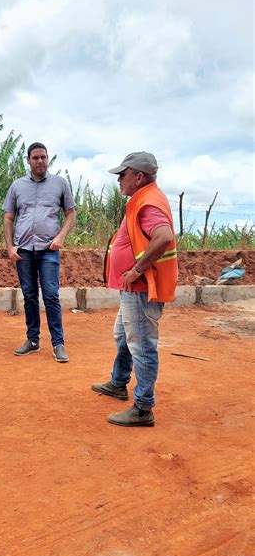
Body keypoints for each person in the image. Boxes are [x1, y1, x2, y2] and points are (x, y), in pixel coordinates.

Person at [91, 152, 178, 426]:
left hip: (141, 286)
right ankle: (118, 383)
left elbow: (163, 236)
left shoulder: (148, 201)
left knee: (141, 345)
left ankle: (142, 408)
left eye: (122, 174)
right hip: (134, 288)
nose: (119, 179)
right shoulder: (141, 199)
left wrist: (137, 269)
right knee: (124, 336)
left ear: (138, 177)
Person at [3, 142, 76, 362]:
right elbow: (8, 218)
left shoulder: (60, 184)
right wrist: (10, 247)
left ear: (47, 158)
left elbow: (71, 214)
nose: (40, 161)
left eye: (43, 157)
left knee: (51, 296)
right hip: (23, 251)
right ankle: (32, 340)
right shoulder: (17, 186)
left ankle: (58, 343)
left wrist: (61, 236)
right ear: (28, 160)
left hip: (48, 249)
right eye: (35, 158)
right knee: (30, 296)